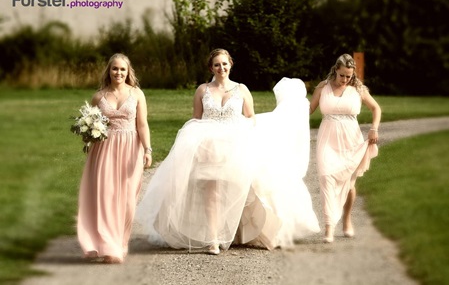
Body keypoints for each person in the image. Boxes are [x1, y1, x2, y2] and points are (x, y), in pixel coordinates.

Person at [136, 48, 319, 255]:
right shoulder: (202, 90)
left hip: (235, 145)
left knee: (239, 190)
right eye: (216, 65)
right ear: (211, 68)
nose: (221, 68)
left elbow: (250, 118)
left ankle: (239, 232)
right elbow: (196, 119)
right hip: (209, 147)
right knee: (211, 193)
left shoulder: (241, 90)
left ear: (230, 64)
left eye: (224, 64)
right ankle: (214, 238)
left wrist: (239, 130)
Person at [77, 53, 152, 264]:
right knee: (106, 195)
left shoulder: (137, 94)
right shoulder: (98, 97)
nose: (118, 73)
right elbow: (90, 124)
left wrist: (148, 149)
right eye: (115, 69)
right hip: (104, 150)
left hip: (131, 148)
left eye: (122, 69)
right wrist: (88, 138)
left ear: (128, 72)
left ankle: (122, 241)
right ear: (108, 71)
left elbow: (142, 125)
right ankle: (108, 244)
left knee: (128, 197)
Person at [309, 53, 381, 243]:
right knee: (326, 178)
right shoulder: (323, 87)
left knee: (349, 184)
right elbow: (309, 109)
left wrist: (374, 129)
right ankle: (329, 227)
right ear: (336, 70)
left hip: (351, 140)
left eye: (348, 76)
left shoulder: (358, 89)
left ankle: (347, 219)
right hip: (327, 138)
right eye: (342, 75)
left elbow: (376, 108)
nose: (345, 79)